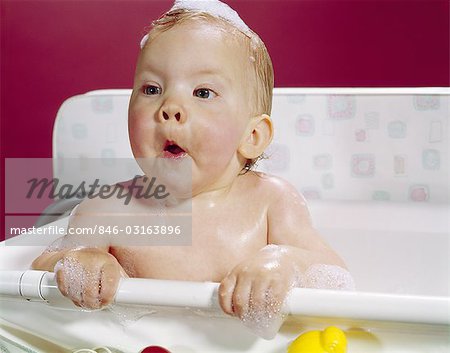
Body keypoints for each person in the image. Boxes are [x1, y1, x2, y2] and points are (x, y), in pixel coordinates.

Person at [32, 0, 352, 325]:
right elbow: (41, 268)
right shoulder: (108, 208)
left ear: (252, 135)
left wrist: (283, 262)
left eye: (202, 92)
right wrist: (80, 260)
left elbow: (332, 271)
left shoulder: (271, 202)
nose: (170, 106)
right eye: (152, 88)